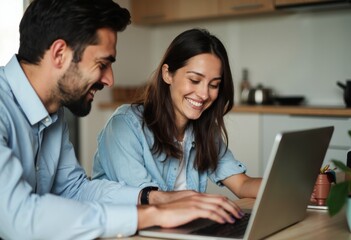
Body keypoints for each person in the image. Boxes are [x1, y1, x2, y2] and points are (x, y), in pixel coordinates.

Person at [0, 2, 244, 239]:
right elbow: (19, 219)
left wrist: (155, 198)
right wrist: (152, 215)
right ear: (59, 53)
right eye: (102, 64)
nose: (110, 80)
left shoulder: (52, 111)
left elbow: (73, 189)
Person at [92, 29, 262, 202]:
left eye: (214, 84)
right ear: (168, 74)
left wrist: (286, 188)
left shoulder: (203, 129)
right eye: (195, 80)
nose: (204, 94)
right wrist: (207, 205)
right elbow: (148, 201)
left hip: (180, 226)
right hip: (133, 228)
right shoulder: (125, 125)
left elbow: (242, 184)